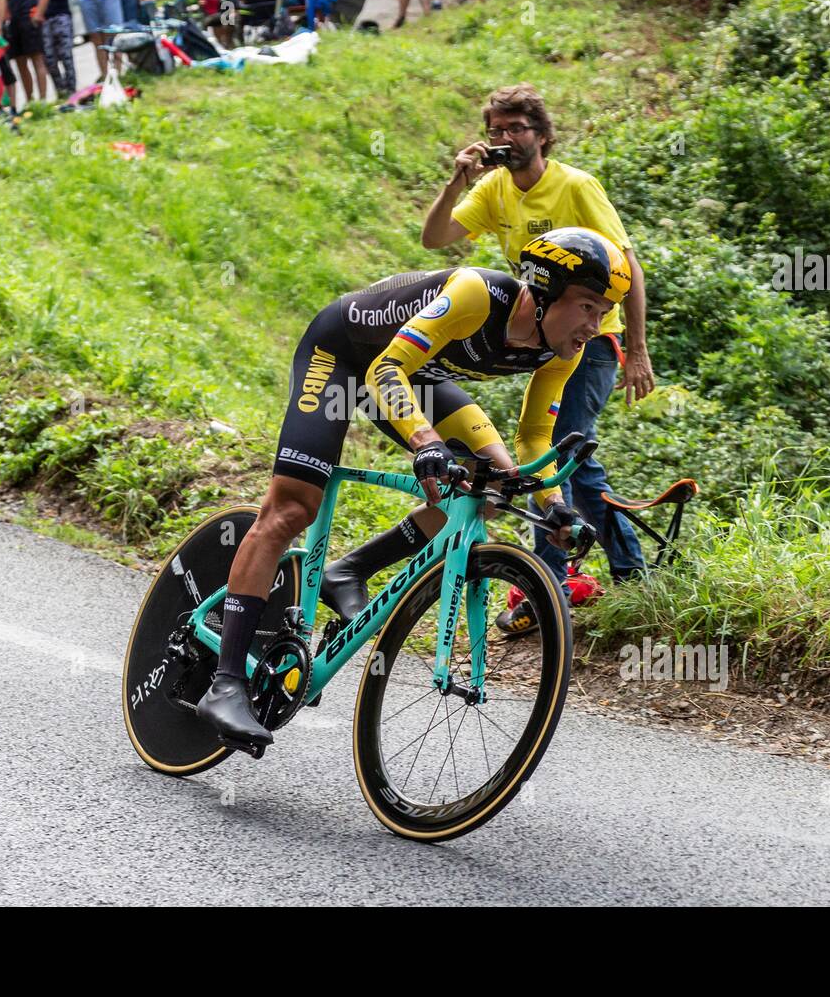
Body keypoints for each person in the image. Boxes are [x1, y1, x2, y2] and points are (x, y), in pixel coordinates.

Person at [192, 228, 630, 747]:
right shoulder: (475, 296)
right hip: (344, 357)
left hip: (415, 373)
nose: (594, 325)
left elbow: (535, 434)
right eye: (586, 306)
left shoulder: (564, 349)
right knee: (292, 510)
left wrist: (554, 505)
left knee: (490, 488)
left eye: (603, 312)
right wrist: (424, 441)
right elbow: (385, 368)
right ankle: (225, 684)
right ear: (543, 290)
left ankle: (348, 571)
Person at [421, 85, 655, 631]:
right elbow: (436, 238)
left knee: (558, 452)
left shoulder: (574, 186)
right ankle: (587, 581)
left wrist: (637, 350)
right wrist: (461, 179)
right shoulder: (496, 189)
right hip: (540, 340)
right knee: (559, 456)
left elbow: (629, 265)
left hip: (592, 338)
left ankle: (569, 586)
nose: (505, 139)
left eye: (516, 128)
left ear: (543, 135)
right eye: (496, 129)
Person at [0, 0, 49, 107]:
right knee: (20, 62)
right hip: (13, 23)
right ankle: (29, 99)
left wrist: (37, 15)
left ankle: (42, 100)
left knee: (37, 59)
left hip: (29, 19)